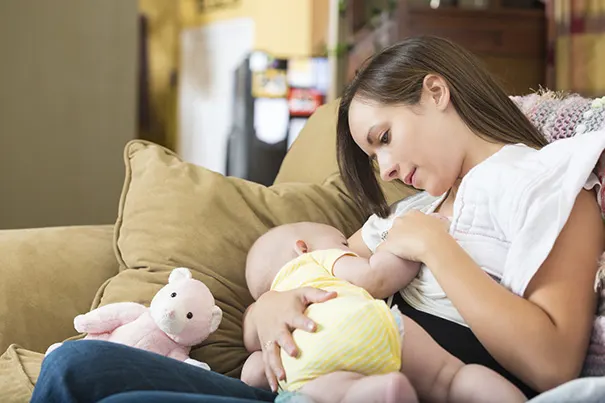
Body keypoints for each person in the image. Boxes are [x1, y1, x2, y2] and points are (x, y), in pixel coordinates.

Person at [30, 35, 605, 403]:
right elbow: (314, 271)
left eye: (382, 139)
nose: (385, 167)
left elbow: (553, 366)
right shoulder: (409, 212)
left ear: (435, 92)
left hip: (389, 386)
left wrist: (440, 250)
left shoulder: (550, 185)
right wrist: (268, 309)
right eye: (372, 156)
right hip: (295, 379)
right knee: (80, 365)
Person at [240, 221, 525, 403]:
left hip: (304, 364)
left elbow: (254, 367)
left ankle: (378, 394)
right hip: (364, 326)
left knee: (328, 393)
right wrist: (402, 247)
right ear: (302, 247)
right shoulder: (317, 260)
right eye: (343, 243)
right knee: (451, 379)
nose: (353, 251)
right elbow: (376, 277)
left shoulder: (268, 323)